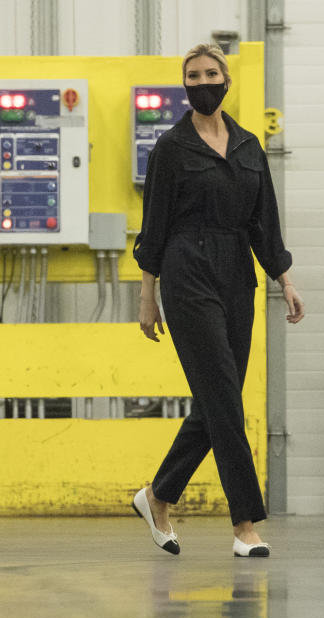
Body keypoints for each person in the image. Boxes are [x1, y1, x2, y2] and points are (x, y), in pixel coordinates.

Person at [131, 43, 304, 558]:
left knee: (216, 402)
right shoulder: (170, 148)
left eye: (211, 73)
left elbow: (263, 222)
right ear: (184, 85)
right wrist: (148, 294)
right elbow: (154, 226)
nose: (203, 81)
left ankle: (157, 496)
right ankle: (245, 525)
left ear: (227, 80)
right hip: (187, 274)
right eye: (193, 75)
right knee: (225, 399)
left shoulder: (250, 147)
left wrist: (285, 279)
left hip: (237, 276)